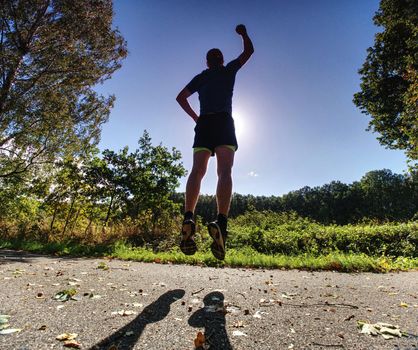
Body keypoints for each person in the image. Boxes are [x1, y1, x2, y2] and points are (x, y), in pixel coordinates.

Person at [176, 24, 254, 260]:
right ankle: (221, 221)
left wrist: (196, 118)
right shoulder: (228, 70)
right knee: (225, 172)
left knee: (197, 171)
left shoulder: (202, 77)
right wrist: (243, 34)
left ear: (207, 62)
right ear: (220, 60)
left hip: (205, 125)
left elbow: (180, 97)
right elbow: (248, 53)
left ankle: (189, 216)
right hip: (223, 123)